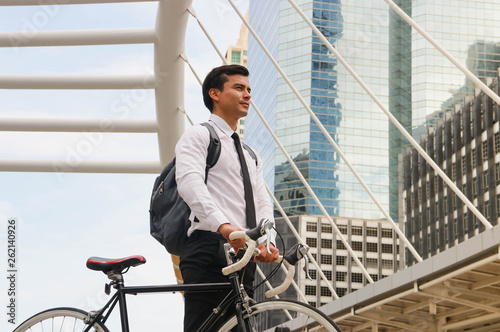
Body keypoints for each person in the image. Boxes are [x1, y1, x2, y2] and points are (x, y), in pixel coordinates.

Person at [175, 64, 279, 331]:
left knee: (241, 327)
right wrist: (225, 227)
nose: (247, 95)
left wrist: (266, 240)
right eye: (238, 88)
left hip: (243, 252)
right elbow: (189, 182)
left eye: (249, 89)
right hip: (207, 246)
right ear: (215, 94)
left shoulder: (250, 153)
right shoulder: (199, 135)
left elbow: (262, 200)